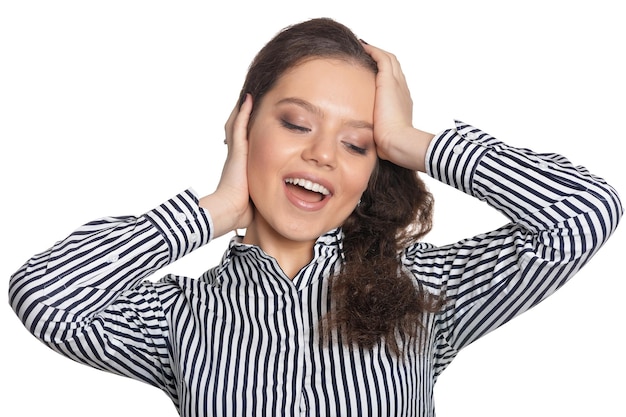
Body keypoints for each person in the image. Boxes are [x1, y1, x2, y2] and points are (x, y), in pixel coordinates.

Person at [8, 17, 622, 417]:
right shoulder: (177, 318)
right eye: (297, 124)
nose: (323, 154)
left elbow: (583, 214)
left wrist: (413, 141)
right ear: (245, 126)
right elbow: (44, 292)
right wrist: (218, 209)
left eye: (357, 144)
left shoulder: (424, 293)